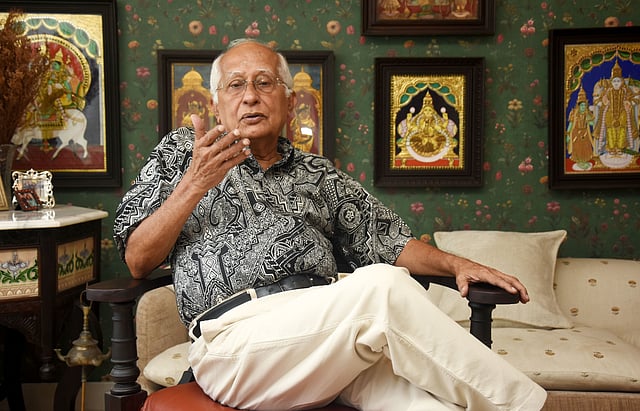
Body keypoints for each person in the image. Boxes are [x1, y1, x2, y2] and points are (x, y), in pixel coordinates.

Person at [113, 38, 547, 410]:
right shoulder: (182, 155)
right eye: (236, 85)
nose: (250, 96)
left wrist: (457, 264)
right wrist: (193, 185)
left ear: (290, 101)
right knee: (383, 286)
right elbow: (138, 259)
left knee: (429, 405)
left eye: (264, 83)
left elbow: (387, 239)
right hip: (235, 345)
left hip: (327, 341)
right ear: (216, 104)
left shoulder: (318, 174)